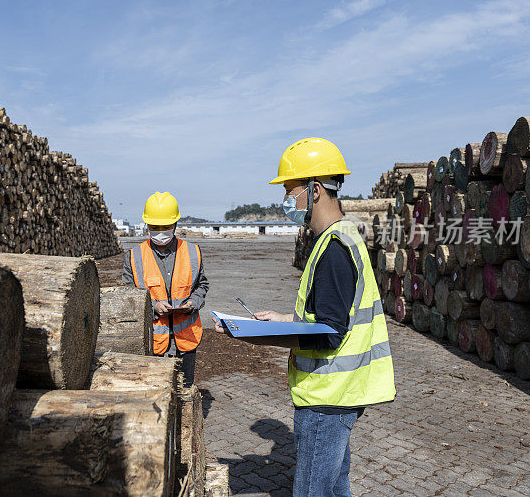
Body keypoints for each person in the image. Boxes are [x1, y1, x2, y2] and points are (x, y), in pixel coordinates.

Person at [212, 138, 395, 497]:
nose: (285, 202)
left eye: (289, 192)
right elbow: (327, 315)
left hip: (326, 397)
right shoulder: (340, 238)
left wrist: (252, 336)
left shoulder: (333, 249)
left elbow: (328, 333)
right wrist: (283, 319)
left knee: (313, 491)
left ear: (313, 190)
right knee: (334, 488)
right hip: (338, 395)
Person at [123, 191, 208, 388]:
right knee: (154, 392)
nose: (160, 232)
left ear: (175, 225)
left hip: (186, 339)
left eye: (166, 227)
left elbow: (202, 285)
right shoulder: (134, 256)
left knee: (184, 391)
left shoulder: (192, 252)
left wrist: (194, 302)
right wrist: (153, 306)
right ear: (147, 226)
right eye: (155, 227)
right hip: (152, 341)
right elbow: (129, 295)